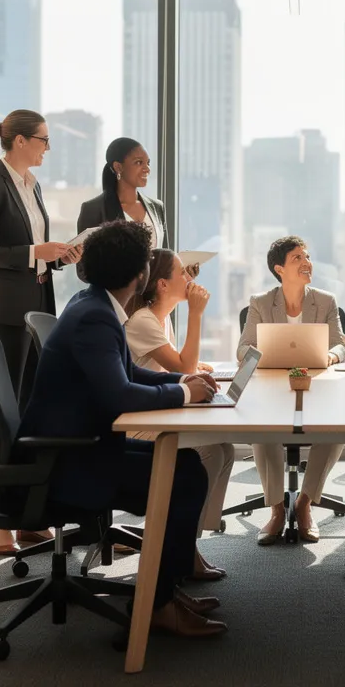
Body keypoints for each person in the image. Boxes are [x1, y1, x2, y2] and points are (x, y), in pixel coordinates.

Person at [18, 220, 226, 637]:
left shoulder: (92, 303)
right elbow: (120, 396)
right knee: (184, 477)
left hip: (76, 445)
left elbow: (127, 372)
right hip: (70, 461)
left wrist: (180, 382)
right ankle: (159, 603)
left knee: (185, 465)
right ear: (140, 276)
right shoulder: (96, 316)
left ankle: (162, 588)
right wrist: (185, 396)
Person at [0, 109, 81, 556]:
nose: (47, 148)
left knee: (32, 411)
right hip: (5, 313)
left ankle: (27, 514)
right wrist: (35, 249)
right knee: (2, 414)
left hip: (36, 308)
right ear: (18, 141)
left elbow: (33, 253)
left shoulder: (33, 187)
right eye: (43, 140)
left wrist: (56, 257)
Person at [124, 248, 233, 581]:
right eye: (182, 274)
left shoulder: (161, 317)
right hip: (135, 424)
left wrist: (191, 370)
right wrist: (197, 314)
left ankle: (187, 542)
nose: (190, 279)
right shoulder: (143, 320)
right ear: (160, 285)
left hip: (154, 411)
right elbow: (181, 365)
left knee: (224, 448)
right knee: (210, 450)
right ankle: (184, 549)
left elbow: (176, 364)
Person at [236, 236, 345, 545]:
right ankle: (276, 508)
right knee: (263, 429)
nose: (307, 262)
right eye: (298, 258)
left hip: (316, 385)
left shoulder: (325, 301)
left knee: (336, 428)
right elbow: (243, 349)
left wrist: (331, 356)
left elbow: (341, 344)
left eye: (307, 256)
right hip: (272, 386)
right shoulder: (260, 302)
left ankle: (305, 504)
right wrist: (266, 356)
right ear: (279, 269)